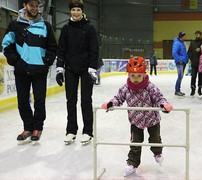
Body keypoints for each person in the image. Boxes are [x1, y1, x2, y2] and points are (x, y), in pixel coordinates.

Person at [101, 56, 173, 177]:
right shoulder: (126, 88)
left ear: (144, 75)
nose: (135, 79)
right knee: (135, 143)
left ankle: (157, 153)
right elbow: (118, 98)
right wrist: (110, 104)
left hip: (152, 119)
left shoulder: (150, 87)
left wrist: (163, 105)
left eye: (139, 76)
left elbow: (158, 97)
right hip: (135, 121)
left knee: (155, 139)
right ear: (128, 75)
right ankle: (132, 164)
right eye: (132, 76)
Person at [1, 0, 57, 143]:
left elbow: (52, 47)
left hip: (39, 70)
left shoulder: (46, 26)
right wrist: (16, 62)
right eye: (31, 5)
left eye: (37, 6)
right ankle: (28, 127)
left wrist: (46, 62)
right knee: (22, 101)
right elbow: (6, 46)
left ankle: (37, 128)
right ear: (25, 5)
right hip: (21, 70)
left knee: (39, 101)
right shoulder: (15, 25)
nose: (35, 9)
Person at [56, 0, 99, 144]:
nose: (75, 12)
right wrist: (59, 69)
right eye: (73, 10)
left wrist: (93, 69)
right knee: (71, 101)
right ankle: (71, 130)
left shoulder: (89, 28)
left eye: (78, 10)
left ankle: (87, 131)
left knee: (86, 100)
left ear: (82, 11)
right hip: (70, 69)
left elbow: (94, 50)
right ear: (70, 11)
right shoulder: (66, 28)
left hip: (86, 69)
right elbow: (61, 50)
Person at [188, 30, 202, 96]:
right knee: (193, 76)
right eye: (196, 34)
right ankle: (193, 89)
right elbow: (189, 52)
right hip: (194, 63)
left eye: (198, 34)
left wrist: (200, 49)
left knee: (201, 77)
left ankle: (199, 89)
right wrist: (192, 59)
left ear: (201, 35)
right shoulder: (192, 42)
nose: (197, 36)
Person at [172, 31, 188, 97]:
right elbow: (174, 53)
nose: (185, 37)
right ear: (182, 36)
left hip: (183, 62)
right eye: (184, 35)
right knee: (180, 76)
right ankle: (177, 90)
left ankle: (178, 90)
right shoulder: (177, 43)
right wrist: (180, 60)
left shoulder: (181, 43)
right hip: (180, 63)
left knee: (181, 77)